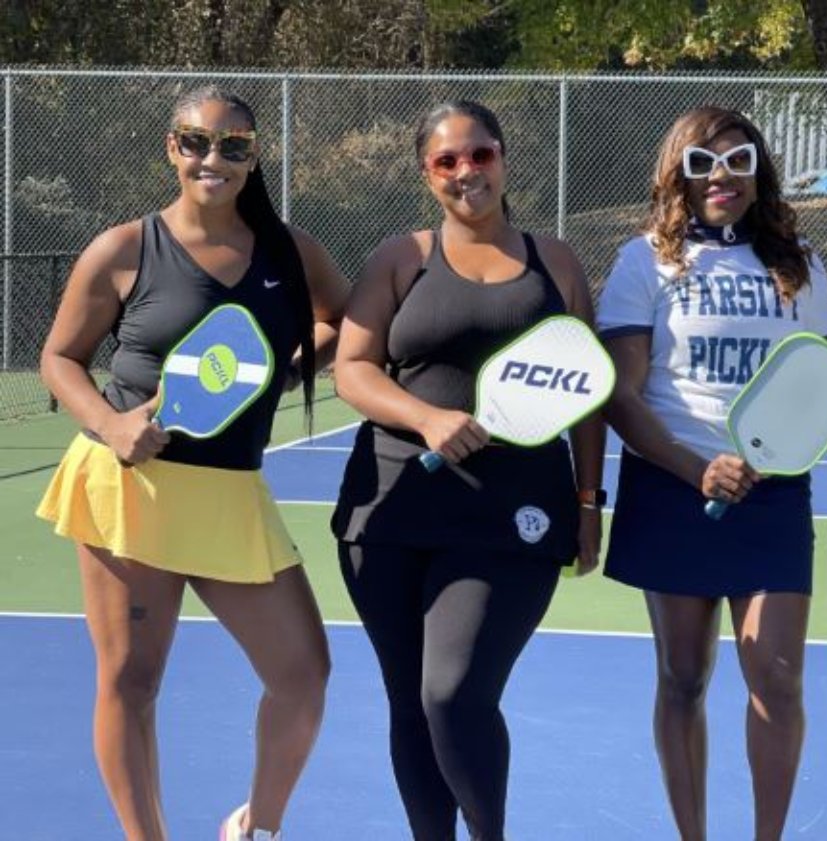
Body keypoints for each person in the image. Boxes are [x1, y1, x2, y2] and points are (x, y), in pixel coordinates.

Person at [36, 86, 349, 841]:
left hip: (230, 493)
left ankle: (257, 827)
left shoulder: (290, 249)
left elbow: (337, 318)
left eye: (235, 145)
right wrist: (110, 425)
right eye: (198, 142)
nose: (215, 158)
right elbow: (60, 357)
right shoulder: (123, 247)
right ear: (172, 149)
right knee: (132, 680)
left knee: (303, 674)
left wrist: (272, 375)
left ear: (253, 157)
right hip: (130, 487)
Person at [596, 105, 827, 841]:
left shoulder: (800, 265)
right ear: (678, 176)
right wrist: (696, 470)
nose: (720, 176)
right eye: (701, 163)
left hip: (773, 492)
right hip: (672, 487)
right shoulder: (644, 263)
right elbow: (622, 398)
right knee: (684, 678)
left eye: (736, 160)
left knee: (778, 679)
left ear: (760, 172)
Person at [330, 100, 605, 841]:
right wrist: (425, 418)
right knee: (408, 702)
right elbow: (352, 369)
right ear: (427, 174)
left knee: (452, 692)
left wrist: (588, 501)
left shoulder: (557, 261)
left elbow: (588, 391)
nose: (466, 172)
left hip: (513, 516)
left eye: (479, 154)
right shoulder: (402, 257)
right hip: (388, 512)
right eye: (446, 161)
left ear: (504, 158)